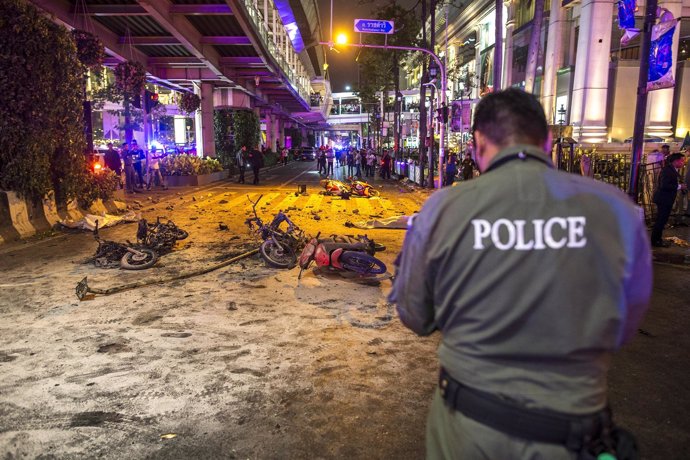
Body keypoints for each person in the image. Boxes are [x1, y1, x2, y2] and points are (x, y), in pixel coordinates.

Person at [389, 88, 652, 460]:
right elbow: (625, 322)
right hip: (574, 431)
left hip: (470, 429)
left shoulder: (445, 209)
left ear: (478, 143)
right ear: (546, 141)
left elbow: (415, 315)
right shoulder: (618, 210)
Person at [651, 152, 687, 246]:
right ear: (675, 161)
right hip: (663, 199)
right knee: (661, 220)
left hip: (666, 199)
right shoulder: (667, 170)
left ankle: (657, 239)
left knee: (662, 220)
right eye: (682, 161)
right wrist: (679, 186)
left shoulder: (672, 170)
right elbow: (664, 185)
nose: (683, 163)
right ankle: (655, 241)